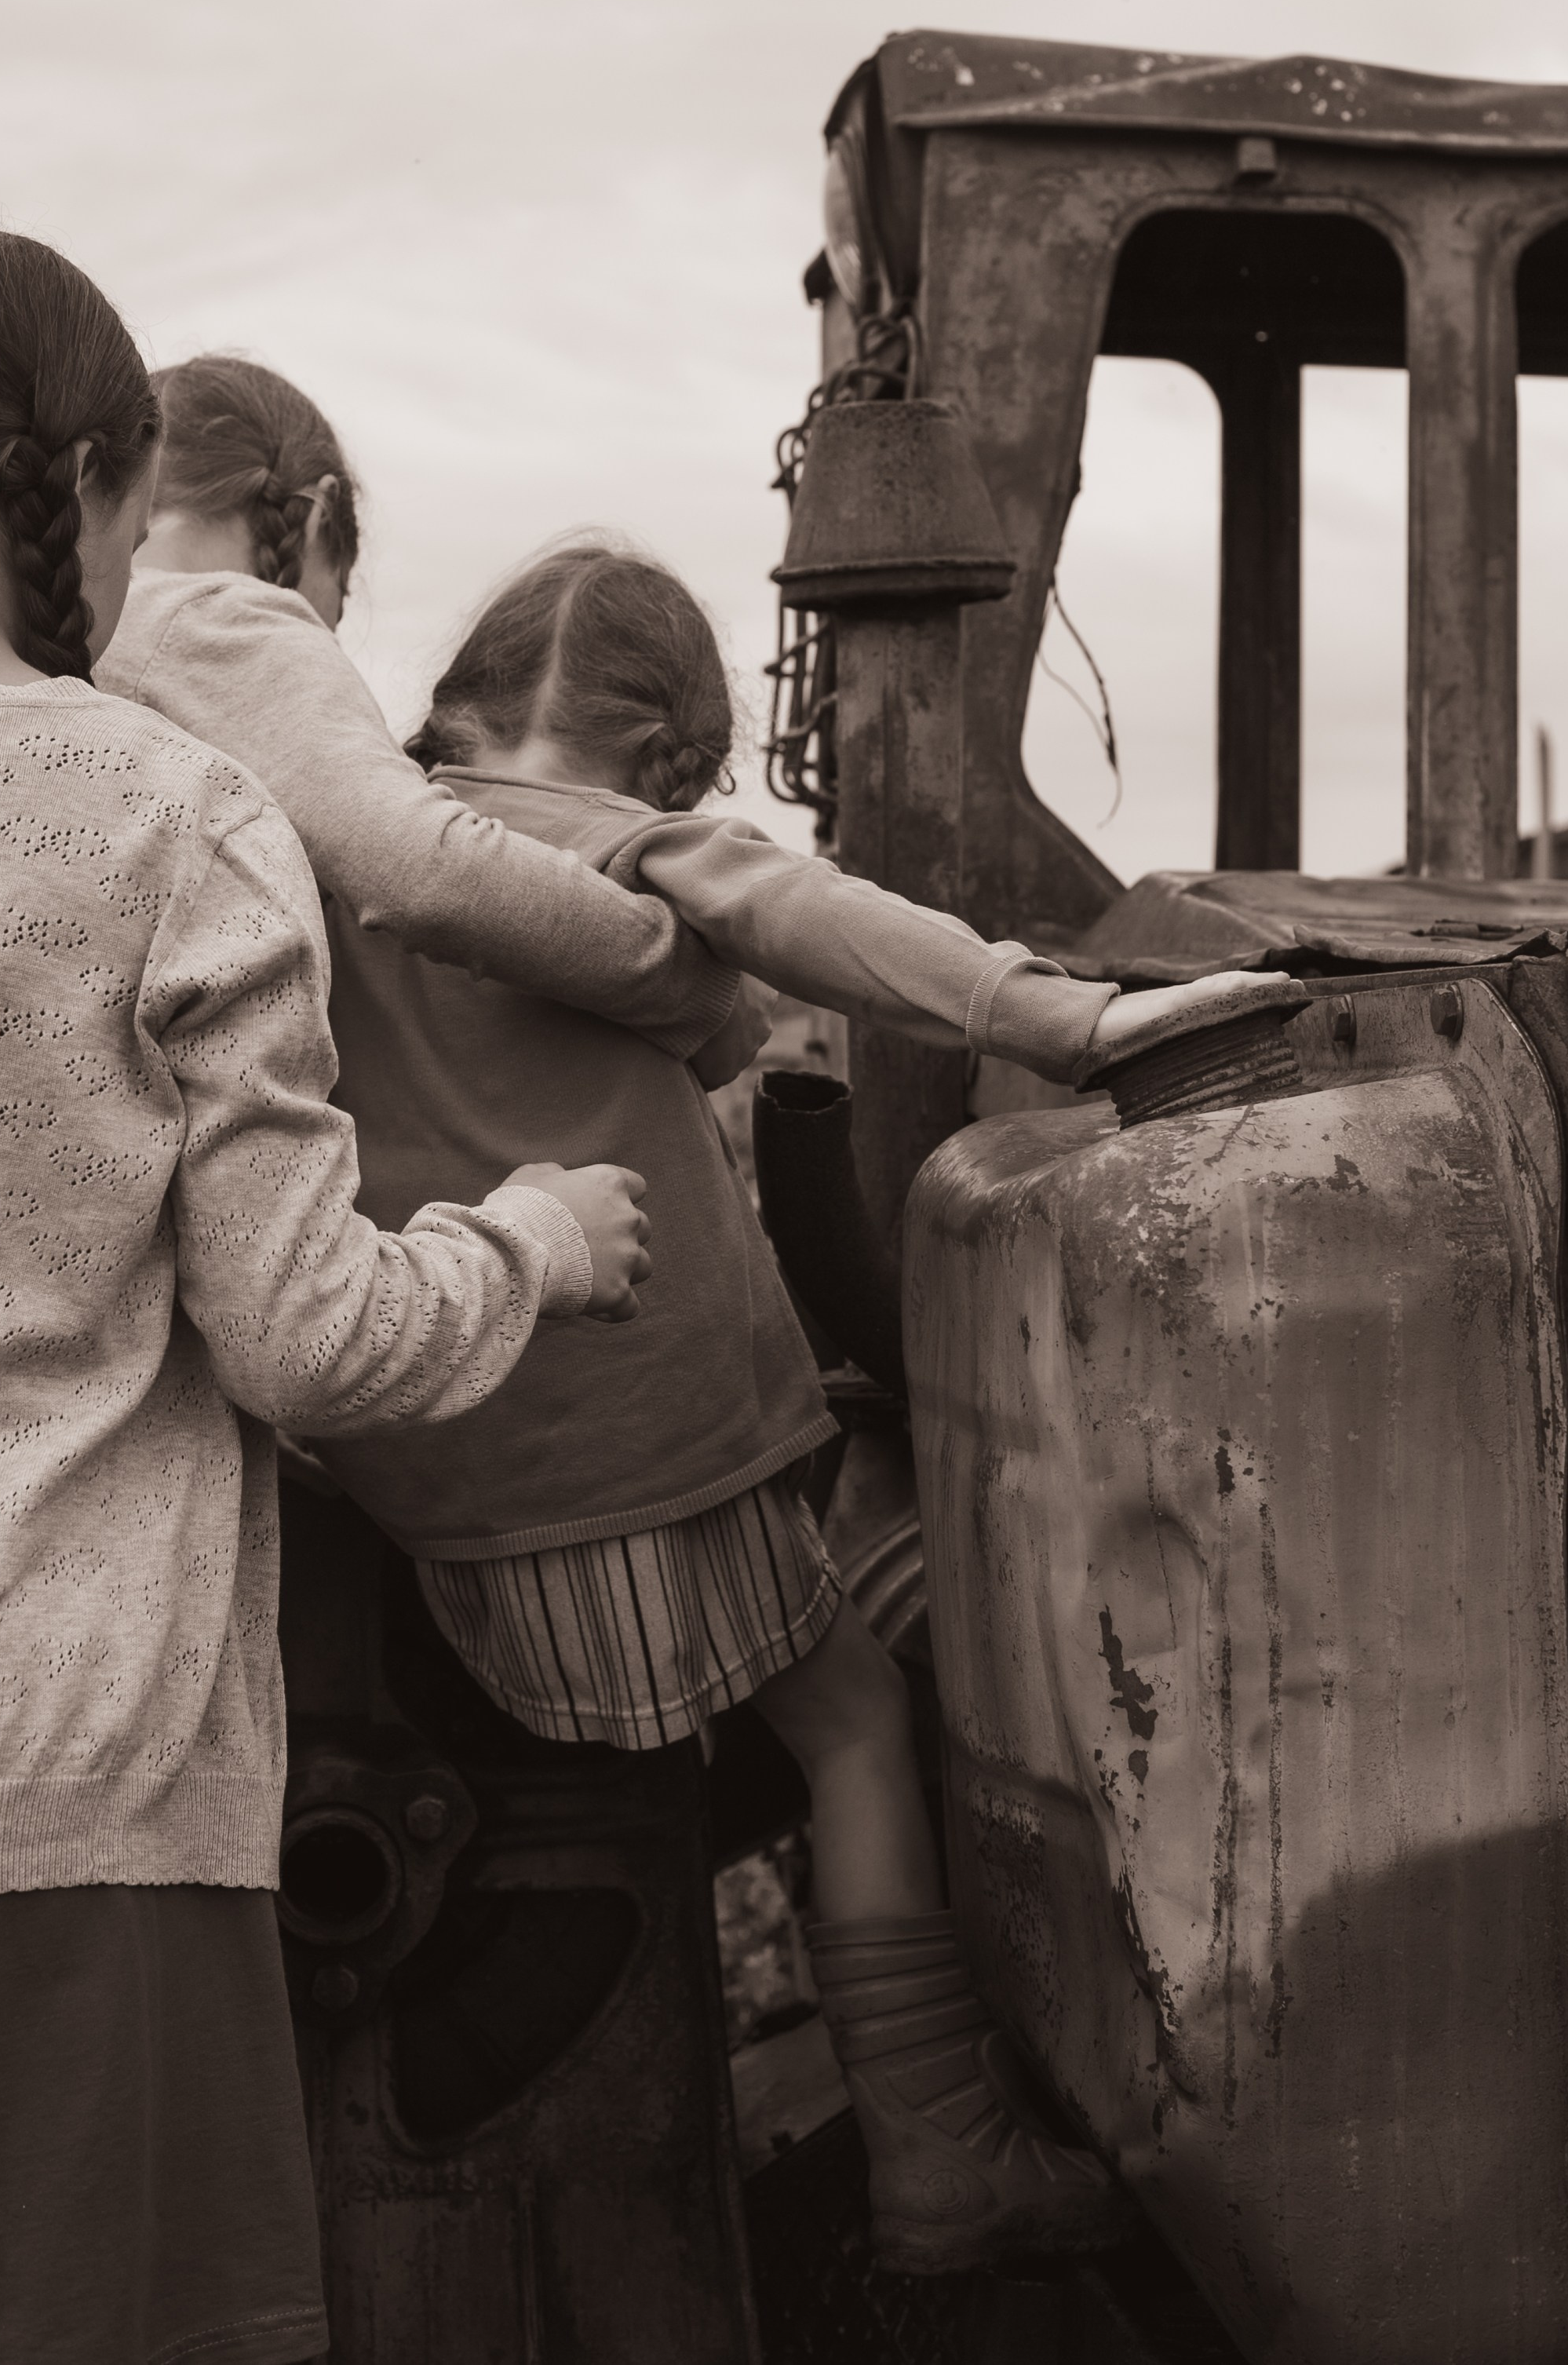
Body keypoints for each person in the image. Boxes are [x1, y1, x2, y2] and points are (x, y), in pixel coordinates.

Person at [0, 225, 651, 2365]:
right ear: (96, 492)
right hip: (49, 1815)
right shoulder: (168, 816)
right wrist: (530, 1243)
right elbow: (304, 1339)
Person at [306, 539, 1272, 2276]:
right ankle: (941, 2161)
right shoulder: (588, 845)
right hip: (640, 1473)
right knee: (851, 1726)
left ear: (459, 699)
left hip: (444, 1493)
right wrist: (1057, 1015)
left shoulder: (341, 846)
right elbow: (800, 914)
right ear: (670, 763)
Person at [98, 352, 743, 1073]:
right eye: (333, 608)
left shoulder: (71, 631)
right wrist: (697, 987)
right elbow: (426, 873)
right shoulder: (233, 625)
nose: (326, 643)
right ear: (317, 513)